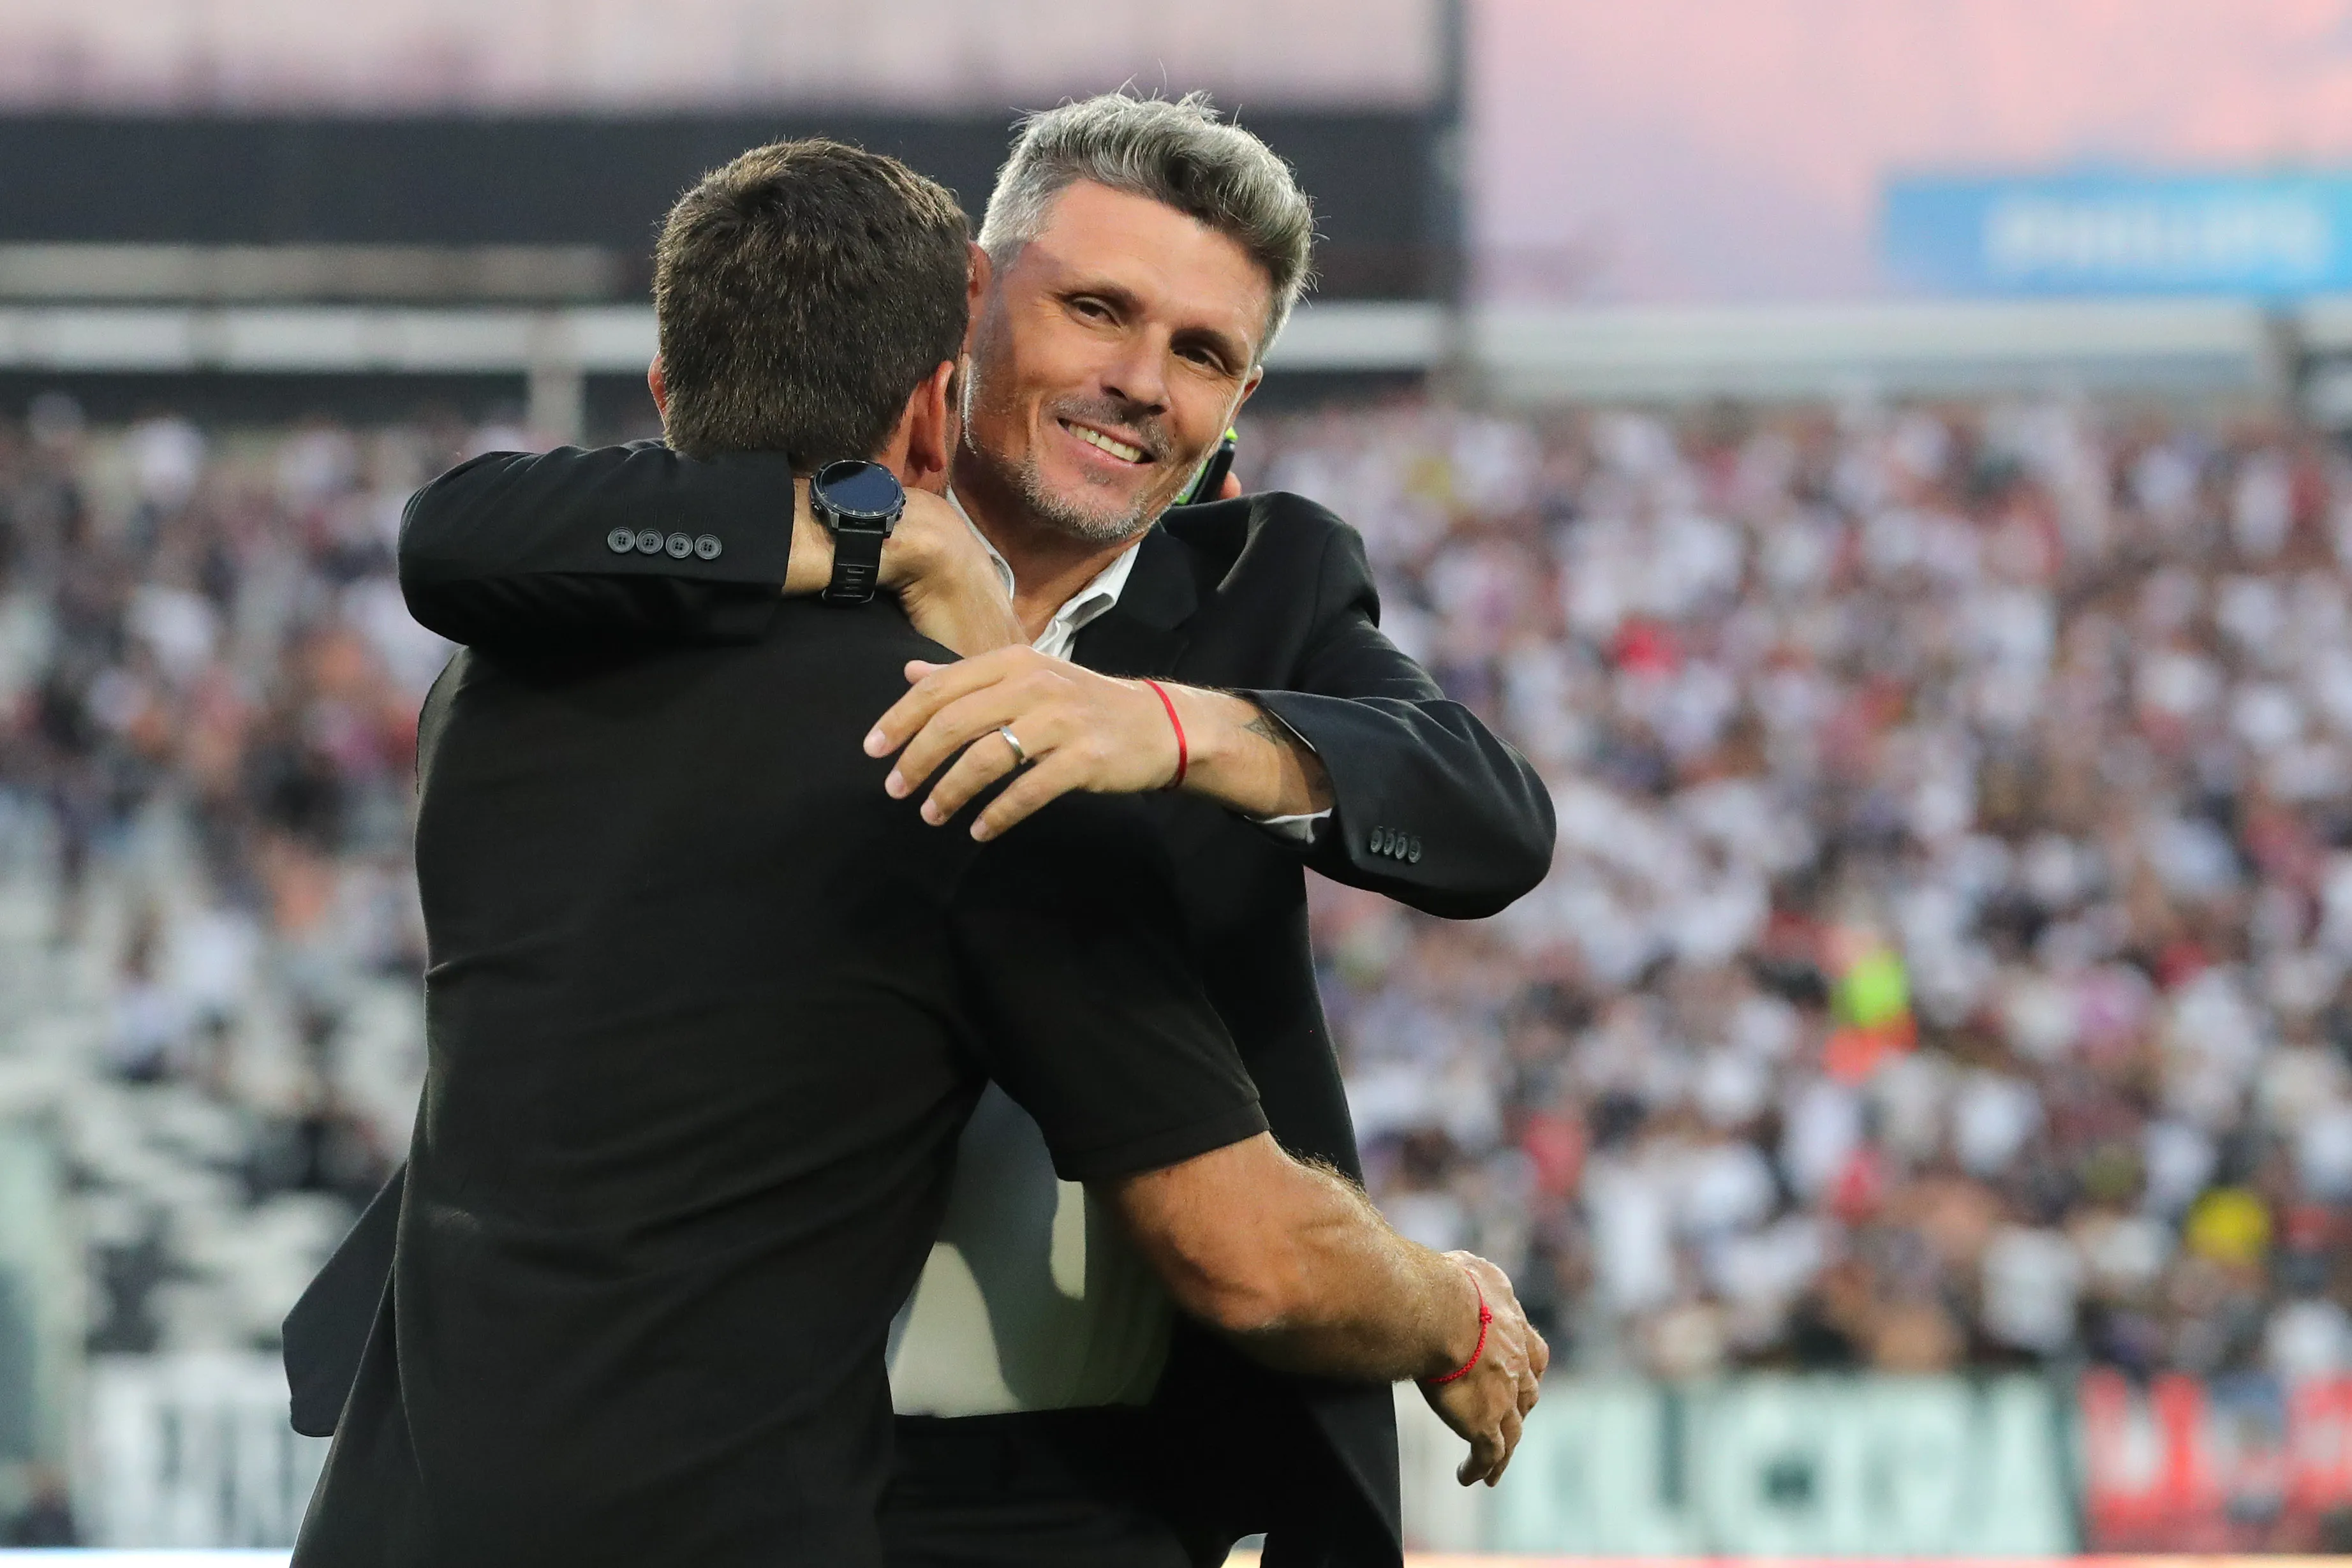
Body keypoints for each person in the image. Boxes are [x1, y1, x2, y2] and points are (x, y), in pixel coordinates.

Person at [291, 95, 1557, 1566]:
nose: (1142, 380)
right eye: (1099, 308)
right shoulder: (735, 577)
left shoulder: (1263, 594)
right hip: (745, 1468)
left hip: (1072, 1487)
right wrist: (868, 550)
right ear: (967, 299)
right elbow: (457, 530)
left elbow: (1486, 816)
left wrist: (1164, 726)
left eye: (1203, 352)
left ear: (1240, 400)